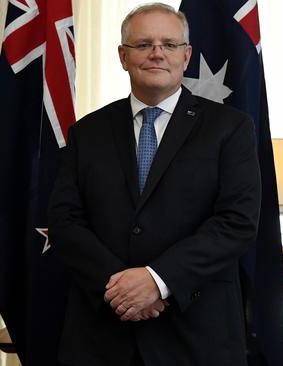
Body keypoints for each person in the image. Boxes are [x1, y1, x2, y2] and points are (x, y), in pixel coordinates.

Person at [48, 3, 261, 365]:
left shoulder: (230, 128)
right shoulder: (87, 132)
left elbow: (237, 222)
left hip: (196, 335)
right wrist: (121, 290)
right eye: (143, 44)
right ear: (123, 56)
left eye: (169, 44)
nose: (157, 53)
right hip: (103, 336)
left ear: (186, 55)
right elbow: (65, 222)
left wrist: (158, 280)